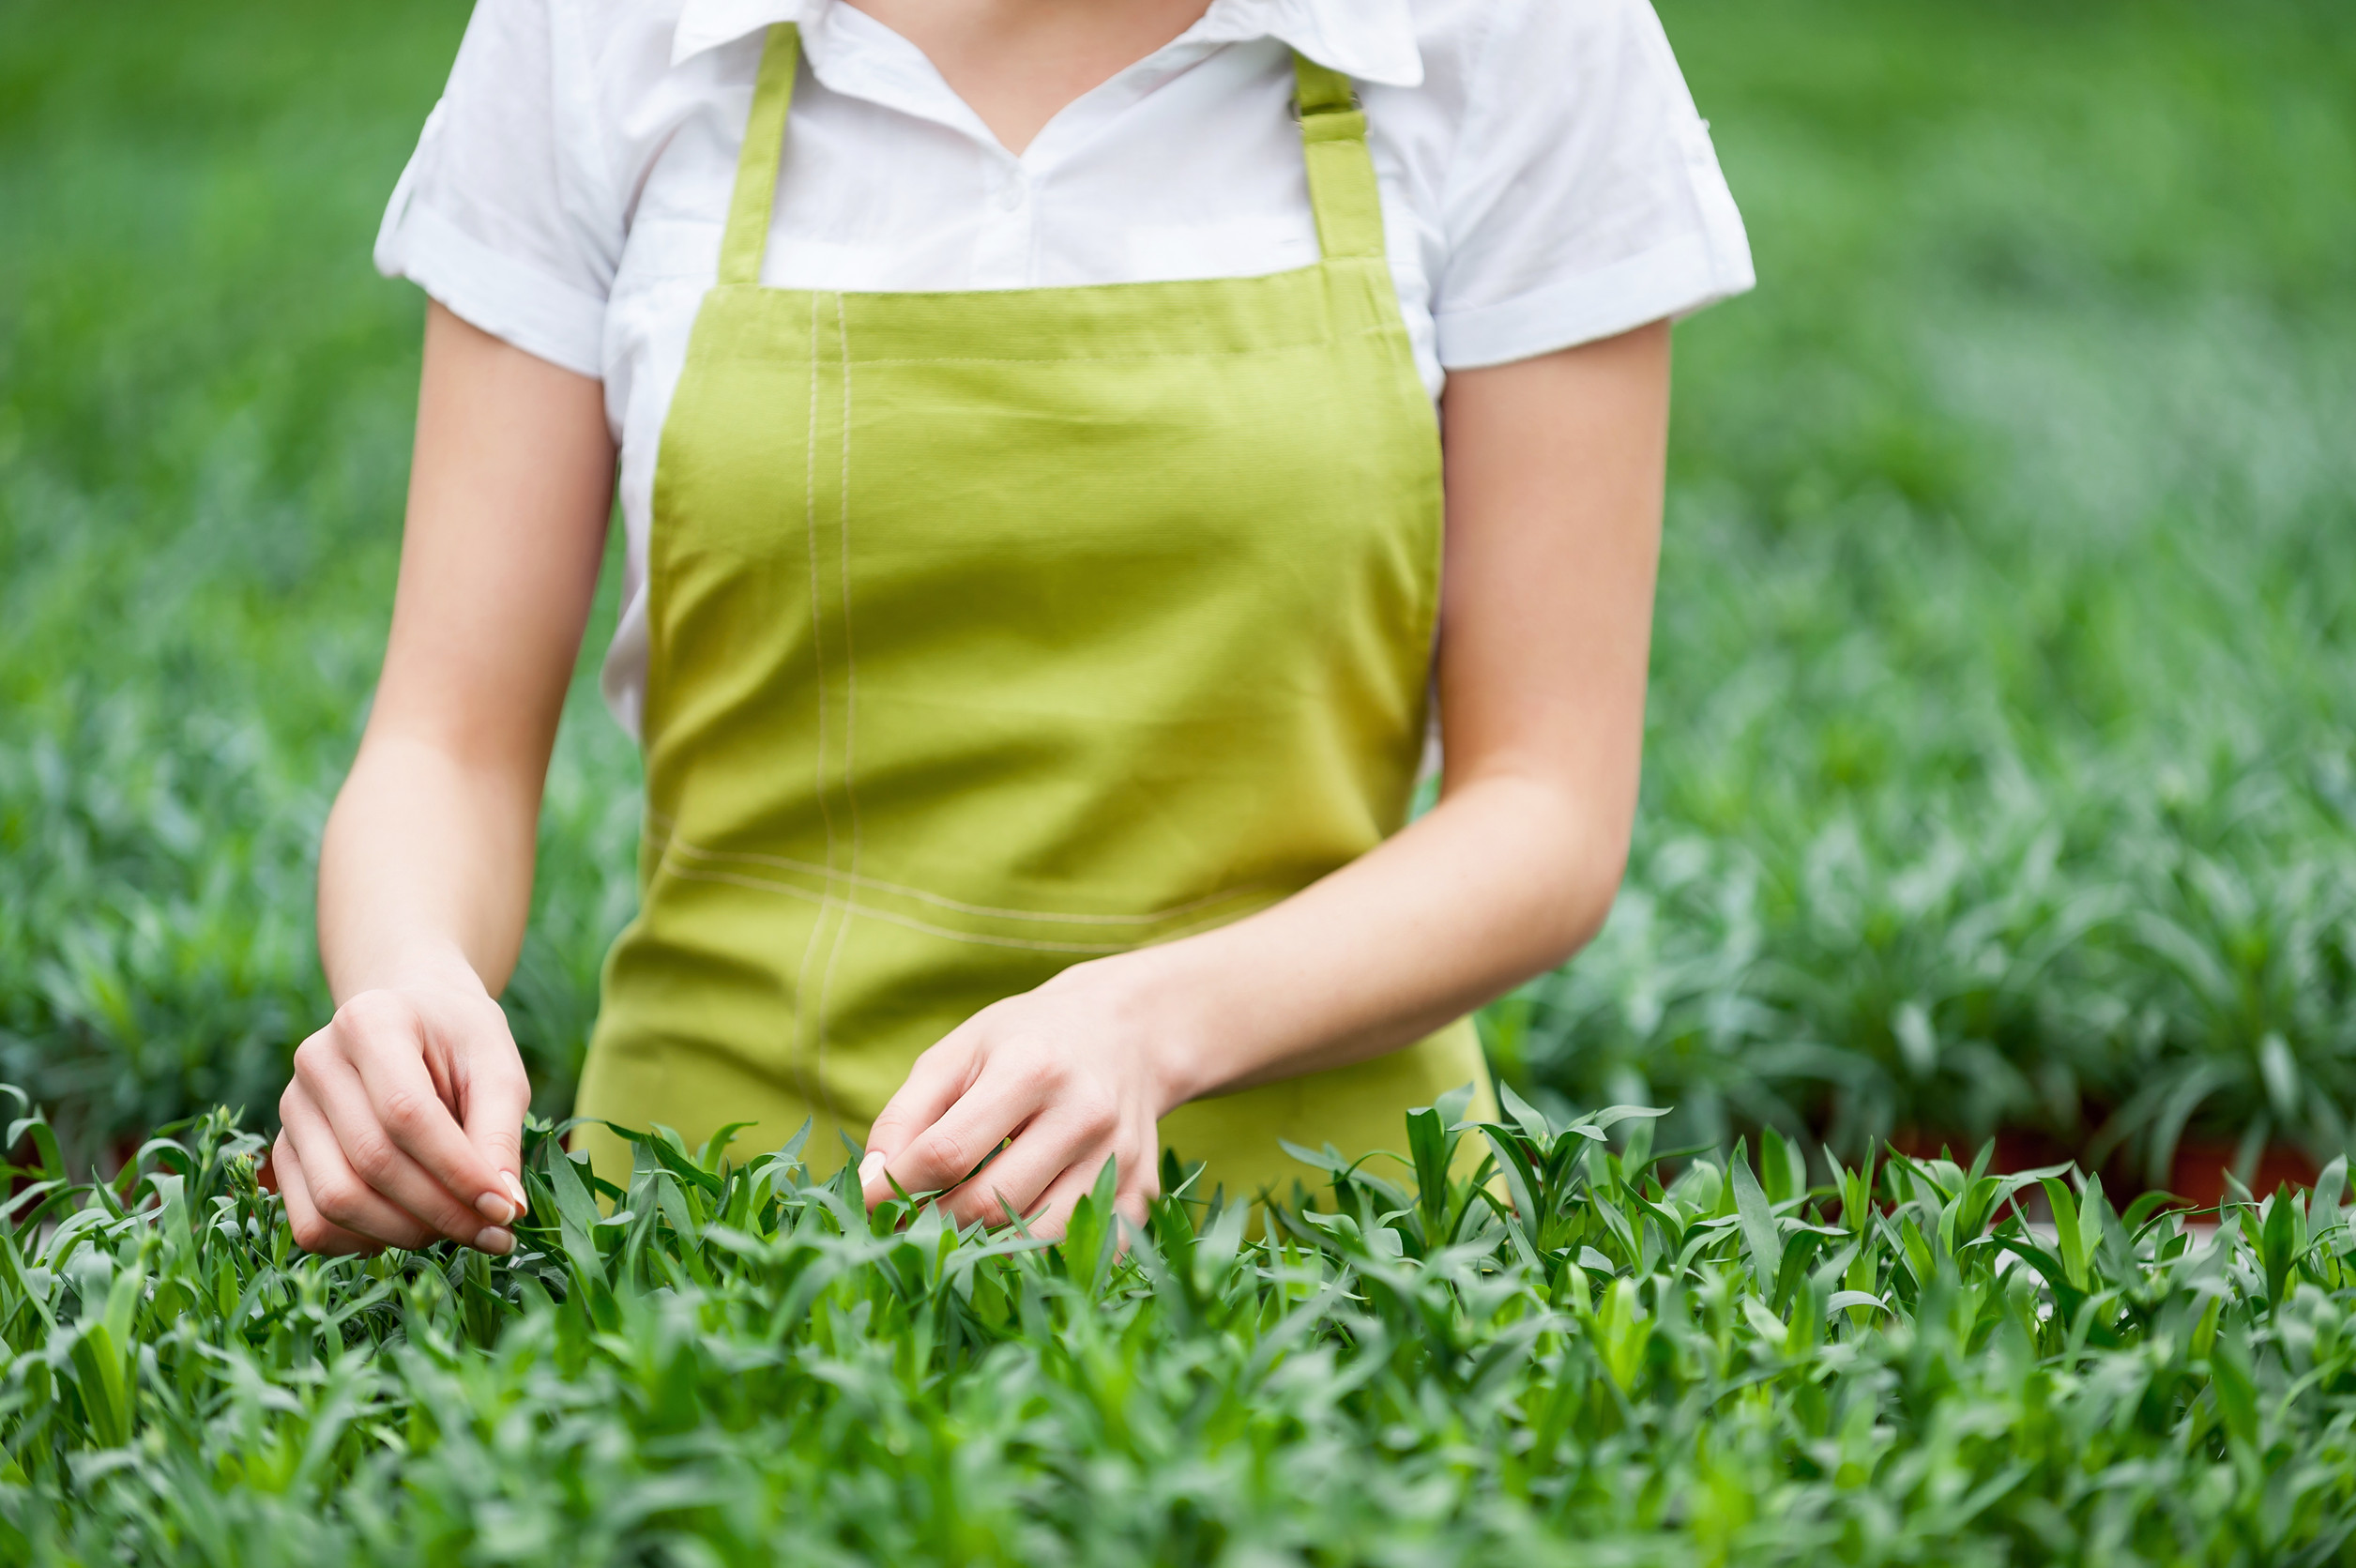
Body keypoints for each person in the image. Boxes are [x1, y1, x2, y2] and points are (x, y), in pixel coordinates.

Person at [261, 0, 1753, 1256]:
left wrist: (1154, 1024)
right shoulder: (603, 30)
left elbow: (1546, 805)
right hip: (714, 1247)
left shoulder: (1520, 36)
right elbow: (445, 746)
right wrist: (405, 984)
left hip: (1339, 1268)